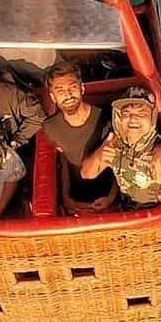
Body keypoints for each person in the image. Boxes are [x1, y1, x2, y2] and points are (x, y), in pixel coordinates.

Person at [80, 85, 161, 206]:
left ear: (152, 117)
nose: (133, 118)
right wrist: (99, 154)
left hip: (153, 212)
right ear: (119, 118)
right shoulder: (115, 143)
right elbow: (86, 174)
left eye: (141, 114)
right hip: (124, 205)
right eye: (127, 113)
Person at [40, 59, 117, 214]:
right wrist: (66, 197)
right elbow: (64, 159)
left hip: (109, 197)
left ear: (82, 88)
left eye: (72, 87)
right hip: (76, 200)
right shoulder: (50, 127)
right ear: (53, 97)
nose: (68, 95)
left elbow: (118, 161)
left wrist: (112, 197)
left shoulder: (107, 118)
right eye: (60, 91)